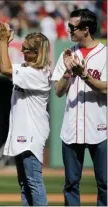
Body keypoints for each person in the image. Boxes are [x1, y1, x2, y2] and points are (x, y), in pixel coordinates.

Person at [51, 8, 107, 206]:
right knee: (71, 184)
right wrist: (68, 73)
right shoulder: (67, 54)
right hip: (72, 127)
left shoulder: (105, 54)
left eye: (72, 27)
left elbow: (106, 89)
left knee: (105, 184)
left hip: (100, 127)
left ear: (86, 29)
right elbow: (58, 91)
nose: (69, 30)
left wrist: (84, 75)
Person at [0, 22, 51, 206]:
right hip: (24, 132)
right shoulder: (29, 70)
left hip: (31, 134)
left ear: (37, 53)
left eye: (26, 49)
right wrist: (2, 43)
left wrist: (4, 41)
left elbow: (5, 69)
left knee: (33, 182)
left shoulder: (37, 73)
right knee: (24, 184)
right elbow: (2, 68)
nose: (22, 52)